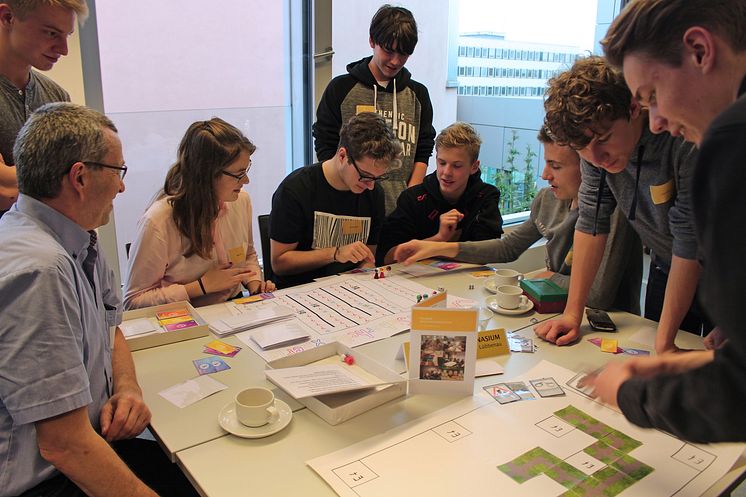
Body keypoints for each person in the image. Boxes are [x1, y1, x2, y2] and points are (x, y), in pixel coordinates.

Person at [0, 103, 197, 496]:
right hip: (48, 479)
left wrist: (127, 387)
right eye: (117, 172)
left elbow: (111, 330)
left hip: (90, 443)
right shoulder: (42, 268)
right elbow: (63, 445)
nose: (123, 187)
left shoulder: (75, 235)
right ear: (80, 177)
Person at [578, 0, 746, 443]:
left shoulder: (730, 142)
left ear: (698, 50)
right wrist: (674, 361)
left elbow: (737, 393)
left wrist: (636, 393)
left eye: (653, 97)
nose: (658, 122)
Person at [534, 55, 706, 354]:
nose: (596, 158)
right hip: (668, 267)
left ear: (634, 109)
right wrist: (573, 313)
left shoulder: (681, 138)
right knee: (661, 352)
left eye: (604, 138)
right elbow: (591, 224)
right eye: (581, 149)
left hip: (725, 273)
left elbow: (689, 240)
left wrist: (665, 345)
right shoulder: (594, 152)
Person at [394, 126, 642, 312]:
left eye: (555, 166)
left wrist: (549, 277)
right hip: (557, 311)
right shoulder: (547, 199)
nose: (545, 175)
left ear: (589, 166)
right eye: (546, 163)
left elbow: (598, 295)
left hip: (613, 323)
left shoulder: (615, 212)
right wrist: (437, 246)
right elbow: (507, 248)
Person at [124, 118, 274, 309]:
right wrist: (200, 287)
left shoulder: (240, 201)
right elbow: (133, 302)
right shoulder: (158, 221)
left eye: (247, 169)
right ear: (206, 175)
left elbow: (248, 254)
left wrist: (255, 285)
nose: (246, 180)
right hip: (185, 318)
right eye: (238, 173)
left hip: (233, 309)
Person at [312, 4, 435, 214]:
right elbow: (325, 143)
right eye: (388, 50)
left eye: (404, 54)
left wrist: (410, 196)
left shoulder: (419, 95)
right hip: (349, 206)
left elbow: (423, 148)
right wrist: (346, 186)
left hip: (400, 210)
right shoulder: (341, 89)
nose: (395, 61)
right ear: (372, 41)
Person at [270, 112, 402, 289]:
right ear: (342, 156)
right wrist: (336, 253)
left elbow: (368, 255)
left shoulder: (373, 193)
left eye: (377, 178)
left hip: (351, 289)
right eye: (365, 176)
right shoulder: (296, 189)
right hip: (300, 292)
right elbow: (279, 263)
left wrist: (367, 268)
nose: (370, 186)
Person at [377, 122, 503, 265]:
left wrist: (437, 247)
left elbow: (490, 253)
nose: (447, 173)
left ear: (474, 167)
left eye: (457, 166)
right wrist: (439, 238)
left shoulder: (486, 196)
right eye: (442, 163)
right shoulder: (412, 198)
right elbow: (385, 257)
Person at [0, 0, 85, 213]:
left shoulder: (56, 97)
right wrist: (62, 174)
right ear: (7, 17)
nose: (64, 50)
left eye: (67, 36)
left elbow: (80, 184)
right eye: (51, 34)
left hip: (47, 243)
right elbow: (5, 190)